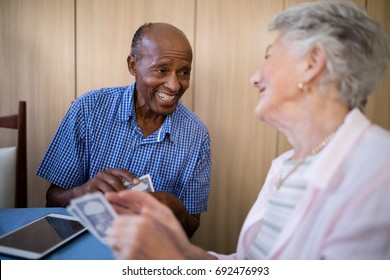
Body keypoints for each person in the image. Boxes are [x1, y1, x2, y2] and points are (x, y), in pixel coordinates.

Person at [105, 1, 390, 259]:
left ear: (311, 64)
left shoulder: (378, 171)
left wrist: (173, 260)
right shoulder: (287, 165)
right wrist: (183, 250)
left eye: (270, 57)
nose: (255, 78)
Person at [36, 22, 211, 238]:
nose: (174, 85)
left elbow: (191, 226)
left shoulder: (197, 135)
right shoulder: (88, 109)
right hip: (87, 249)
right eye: (162, 69)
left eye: (184, 72)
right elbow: (51, 200)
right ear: (133, 66)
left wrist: (175, 208)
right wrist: (83, 192)